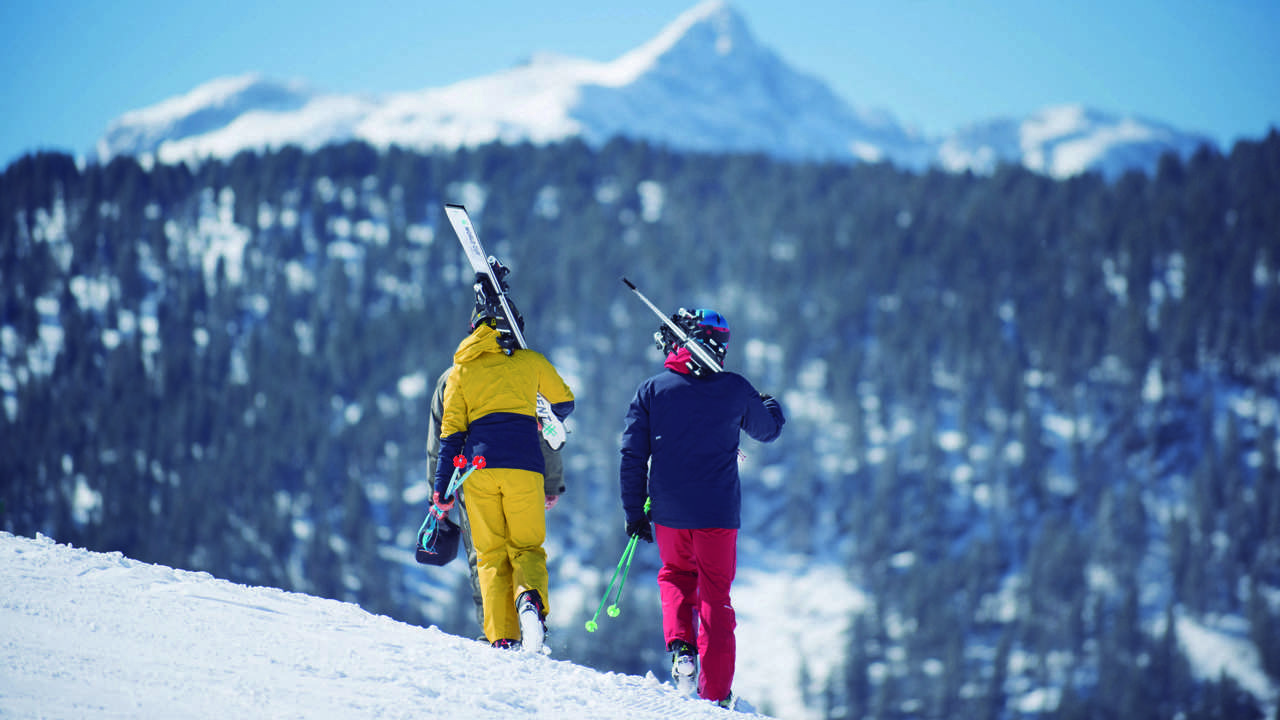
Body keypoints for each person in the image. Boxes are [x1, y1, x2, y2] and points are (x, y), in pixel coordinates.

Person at [618, 308, 785, 708]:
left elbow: (631, 455)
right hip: (718, 514)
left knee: (675, 576)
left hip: (670, 512)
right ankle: (714, 696)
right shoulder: (733, 389)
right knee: (716, 598)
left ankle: (682, 651)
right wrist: (770, 403)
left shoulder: (652, 391)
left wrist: (633, 513)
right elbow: (769, 430)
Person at [431, 299, 574, 652]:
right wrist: (541, 413)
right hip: (525, 468)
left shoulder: (460, 371)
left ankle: (501, 639)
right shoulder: (531, 362)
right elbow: (565, 402)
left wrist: (441, 491)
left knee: (490, 556)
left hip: (477, 471)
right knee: (526, 548)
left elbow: (450, 435)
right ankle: (530, 603)